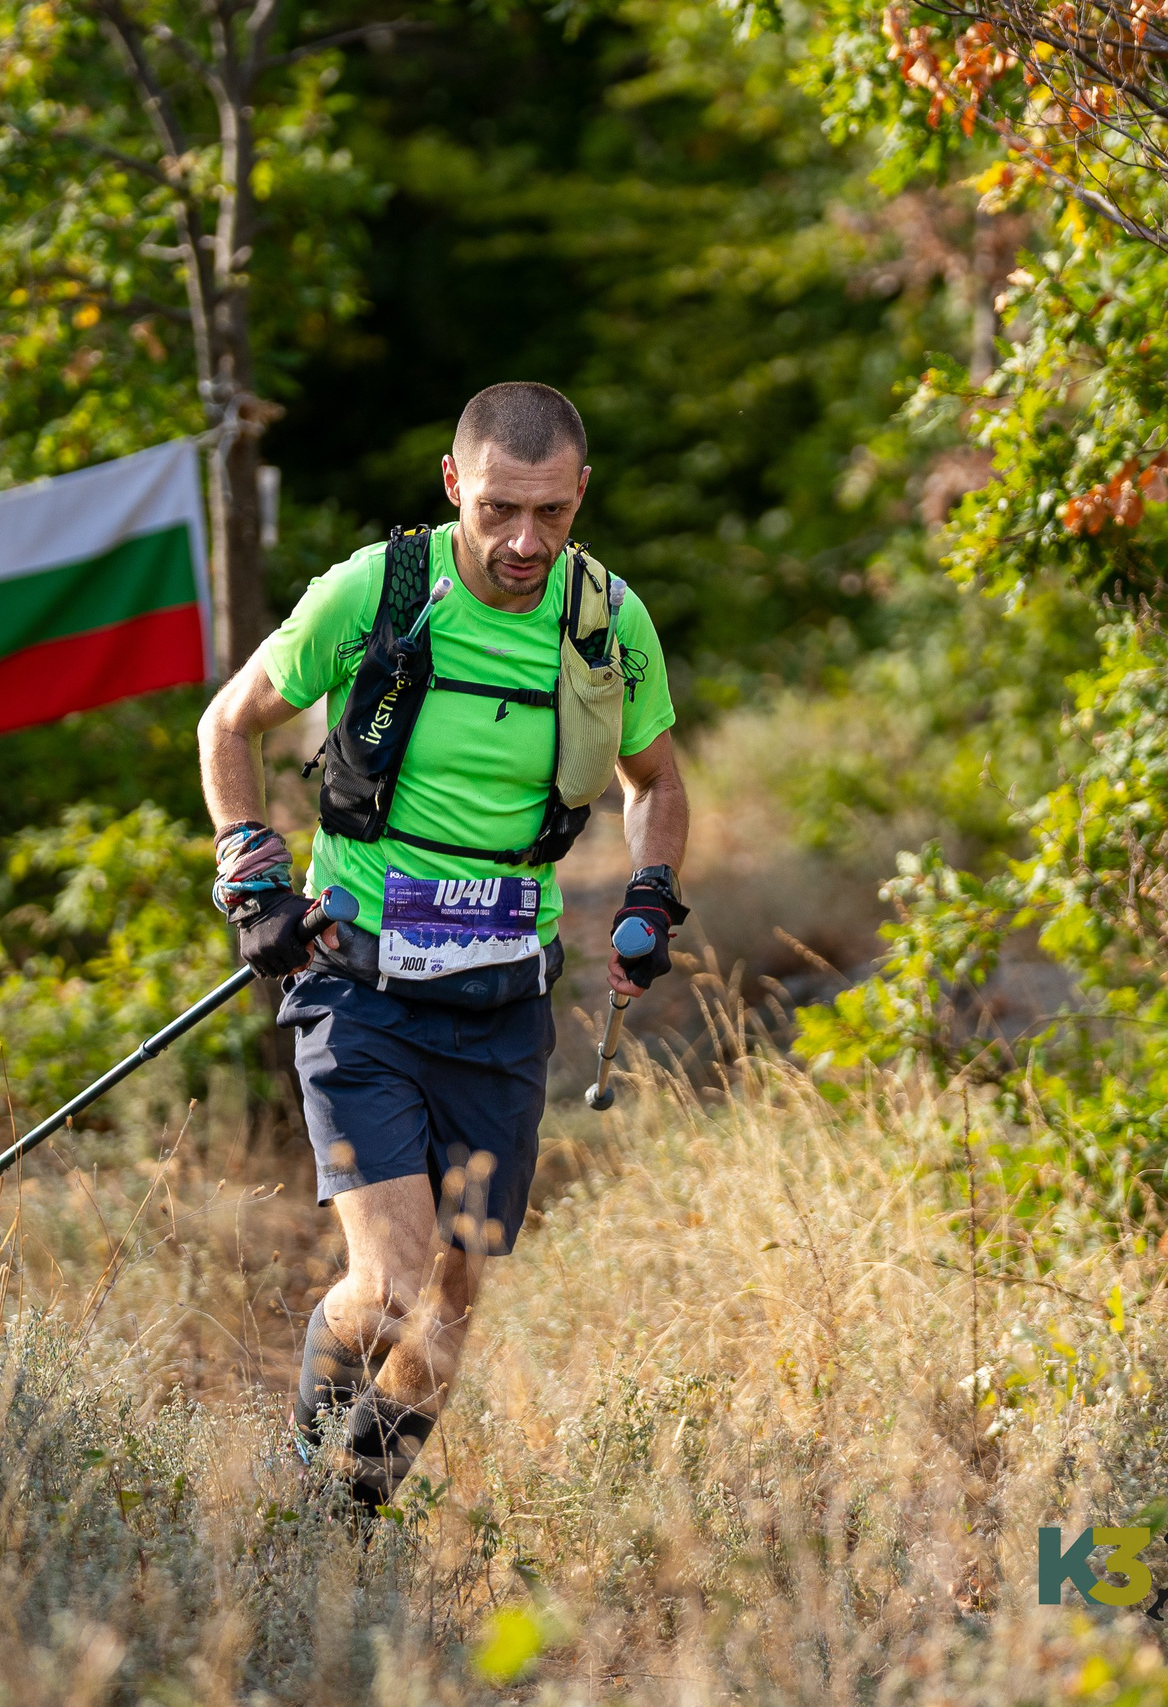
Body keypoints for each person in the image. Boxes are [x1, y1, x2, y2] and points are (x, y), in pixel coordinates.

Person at [195, 381, 690, 1511]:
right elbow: (228, 724)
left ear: (580, 498)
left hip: (502, 1003)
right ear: (454, 483)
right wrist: (251, 871)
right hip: (359, 987)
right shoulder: (375, 590)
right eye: (501, 511)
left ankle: (340, 1526)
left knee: (454, 1308)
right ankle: (300, 1464)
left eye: (552, 515)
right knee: (391, 1286)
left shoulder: (607, 622)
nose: (526, 542)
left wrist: (653, 889)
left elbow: (653, 782)